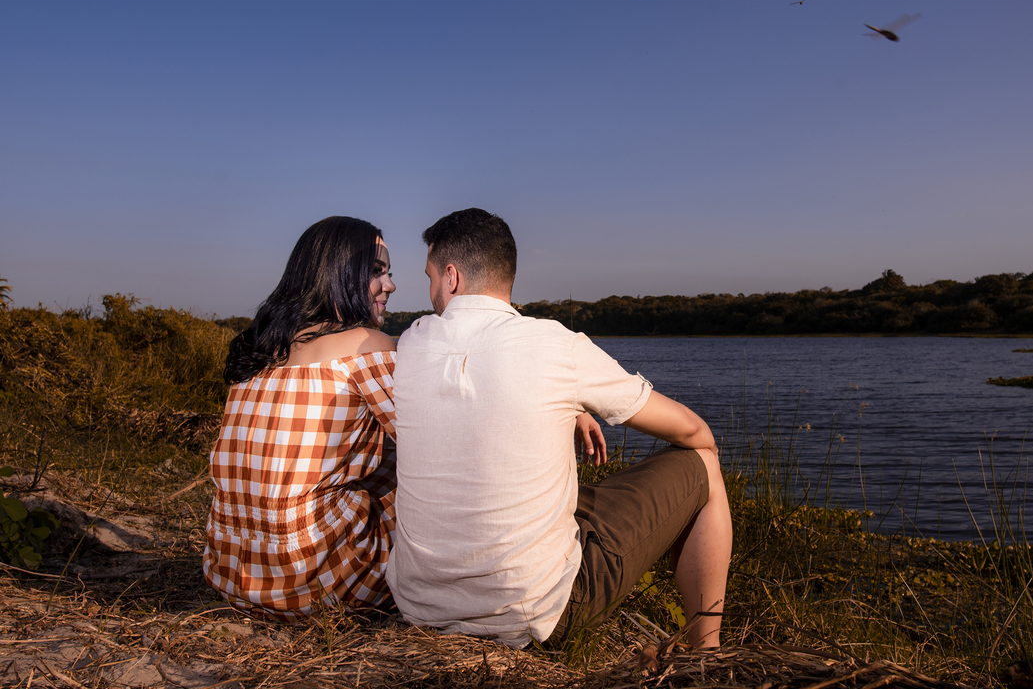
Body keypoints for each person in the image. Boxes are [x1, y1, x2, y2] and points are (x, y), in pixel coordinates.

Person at [386, 208, 731, 649]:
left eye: (430, 277)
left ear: (451, 277)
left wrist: (573, 409)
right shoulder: (558, 346)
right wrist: (578, 401)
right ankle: (707, 654)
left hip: (419, 609)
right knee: (703, 463)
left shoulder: (412, 341)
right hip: (535, 617)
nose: (431, 289)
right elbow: (692, 430)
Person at [202, 216, 400, 620]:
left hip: (231, 575)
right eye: (377, 271)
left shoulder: (261, 350)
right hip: (318, 579)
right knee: (421, 462)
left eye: (389, 273)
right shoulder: (367, 346)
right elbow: (434, 444)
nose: (390, 286)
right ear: (341, 273)